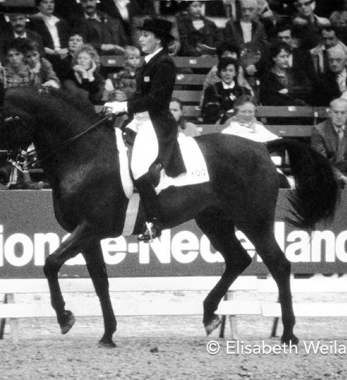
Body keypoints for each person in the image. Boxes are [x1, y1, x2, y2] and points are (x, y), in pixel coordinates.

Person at [103, 18, 185, 241]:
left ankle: (154, 223)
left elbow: (157, 100)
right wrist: (120, 110)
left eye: (146, 35)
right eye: (141, 35)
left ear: (158, 39)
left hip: (155, 124)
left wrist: (124, 105)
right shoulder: (148, 62)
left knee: (139, 168)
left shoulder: (164, 63)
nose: (141, 39)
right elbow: (141, 96)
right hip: (139, 120)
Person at [221, 94, 291, 188]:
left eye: (250, 112)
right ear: (236, 112)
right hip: (241, 172)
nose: (247, 115)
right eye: (243, 111)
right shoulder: (228, 131)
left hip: (266, 169)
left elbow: (277, 142)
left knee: (283, 183)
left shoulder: (260, 128)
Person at [260, 41, 314, 106]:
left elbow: (307, 89)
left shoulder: (297, 73)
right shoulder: (267, 77)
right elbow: (268, 98)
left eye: (287, 56)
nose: (286, 60)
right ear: (274, 58)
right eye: (282, 57)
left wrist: (289, 91)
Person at [28, 0, 71, 80]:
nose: (49, 5)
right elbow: (33, 41)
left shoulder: (61, 22)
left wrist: (66, 49)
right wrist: (49, 51)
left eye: (51, 2)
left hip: (63, 54)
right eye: (45, 2)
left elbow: (67, 39)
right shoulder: (33, 21)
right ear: (38, 6)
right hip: (46, 55)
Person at [202, 57, 250, 124]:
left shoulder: (244, 91)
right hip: (219, 125)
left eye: (231, 70)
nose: (227, 73)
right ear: (220, 73)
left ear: (235, 73)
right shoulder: (211, 90)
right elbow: (209, 113)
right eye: (224, 70)